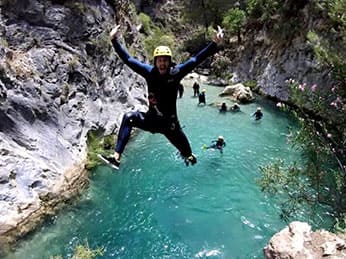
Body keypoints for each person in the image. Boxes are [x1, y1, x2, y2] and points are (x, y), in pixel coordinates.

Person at [102, 24, 224, 169]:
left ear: (169, 61)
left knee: (189, 155)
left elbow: (195, 60)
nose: (162, 63)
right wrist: (114, 40)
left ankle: (189, 157)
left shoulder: (176, 73)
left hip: (170, 125)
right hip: (151, 120)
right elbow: (128, 60)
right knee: (129, 117)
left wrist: (214, 43)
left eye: (165, 60)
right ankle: (116, 158)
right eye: (159, 60)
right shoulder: (149, 72)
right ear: (155, 61)